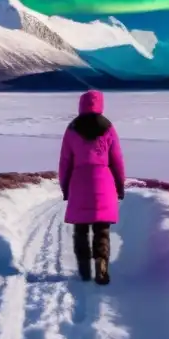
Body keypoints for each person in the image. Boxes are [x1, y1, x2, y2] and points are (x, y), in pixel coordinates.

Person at [59, 89, 126, 285]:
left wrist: (65, 187)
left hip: (79, 182)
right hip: (104, 181)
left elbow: (65, 162)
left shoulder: (71, 129)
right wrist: (120, 186)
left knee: (80, 230)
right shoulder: (108, 128)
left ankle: (84, 269)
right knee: (101, 230)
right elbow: (117, 160)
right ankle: (101, 265)